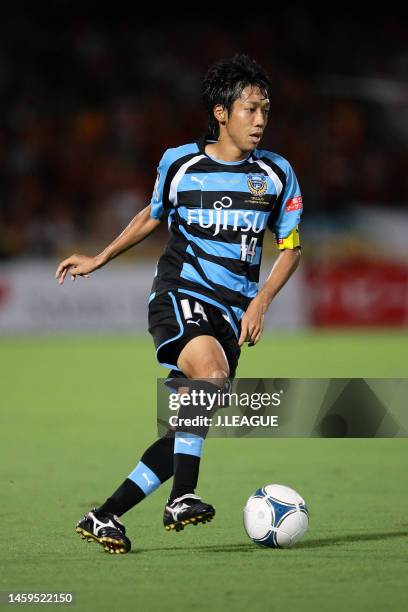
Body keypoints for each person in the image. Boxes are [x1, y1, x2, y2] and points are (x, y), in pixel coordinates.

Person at [55, 54, 303, 554]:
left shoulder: (276, 174)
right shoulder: (181, 162)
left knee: (185, 426)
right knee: (208, 378)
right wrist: (100, 257)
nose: (260, 120)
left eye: (266, 110)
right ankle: (182, 497)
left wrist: (260, 302)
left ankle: (103, 516)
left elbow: (291, 247)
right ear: (221, 112)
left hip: (233, 314)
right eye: (251, 109)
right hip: (179, 294)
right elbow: (153, 214)